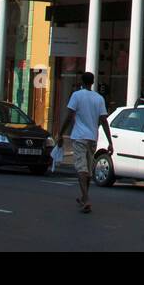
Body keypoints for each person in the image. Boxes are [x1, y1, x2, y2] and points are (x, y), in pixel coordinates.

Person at [56, 72, 113, 214]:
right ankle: (83, 196)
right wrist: (110, 142)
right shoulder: (99, 98)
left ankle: (86, 199)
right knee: (87, 169)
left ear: (82, 81)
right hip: (92, 138)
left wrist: (61, 133)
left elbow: (69, 115)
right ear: (93, 82)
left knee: (81, 169)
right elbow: (104, 121)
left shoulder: (77, 95)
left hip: (80, 137)